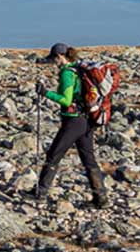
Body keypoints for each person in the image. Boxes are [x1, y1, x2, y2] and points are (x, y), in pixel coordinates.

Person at [34, 42, 108, 209]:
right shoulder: (79, 69)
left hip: (73, 120)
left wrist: (45, 93)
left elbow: (66, 100)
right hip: (87, 121)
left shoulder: (67, 73)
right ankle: (101, 198)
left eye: (54, 59)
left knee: (54, 155)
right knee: (89, 159)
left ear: (60, 56)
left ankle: (40, 193)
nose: (54, 62)